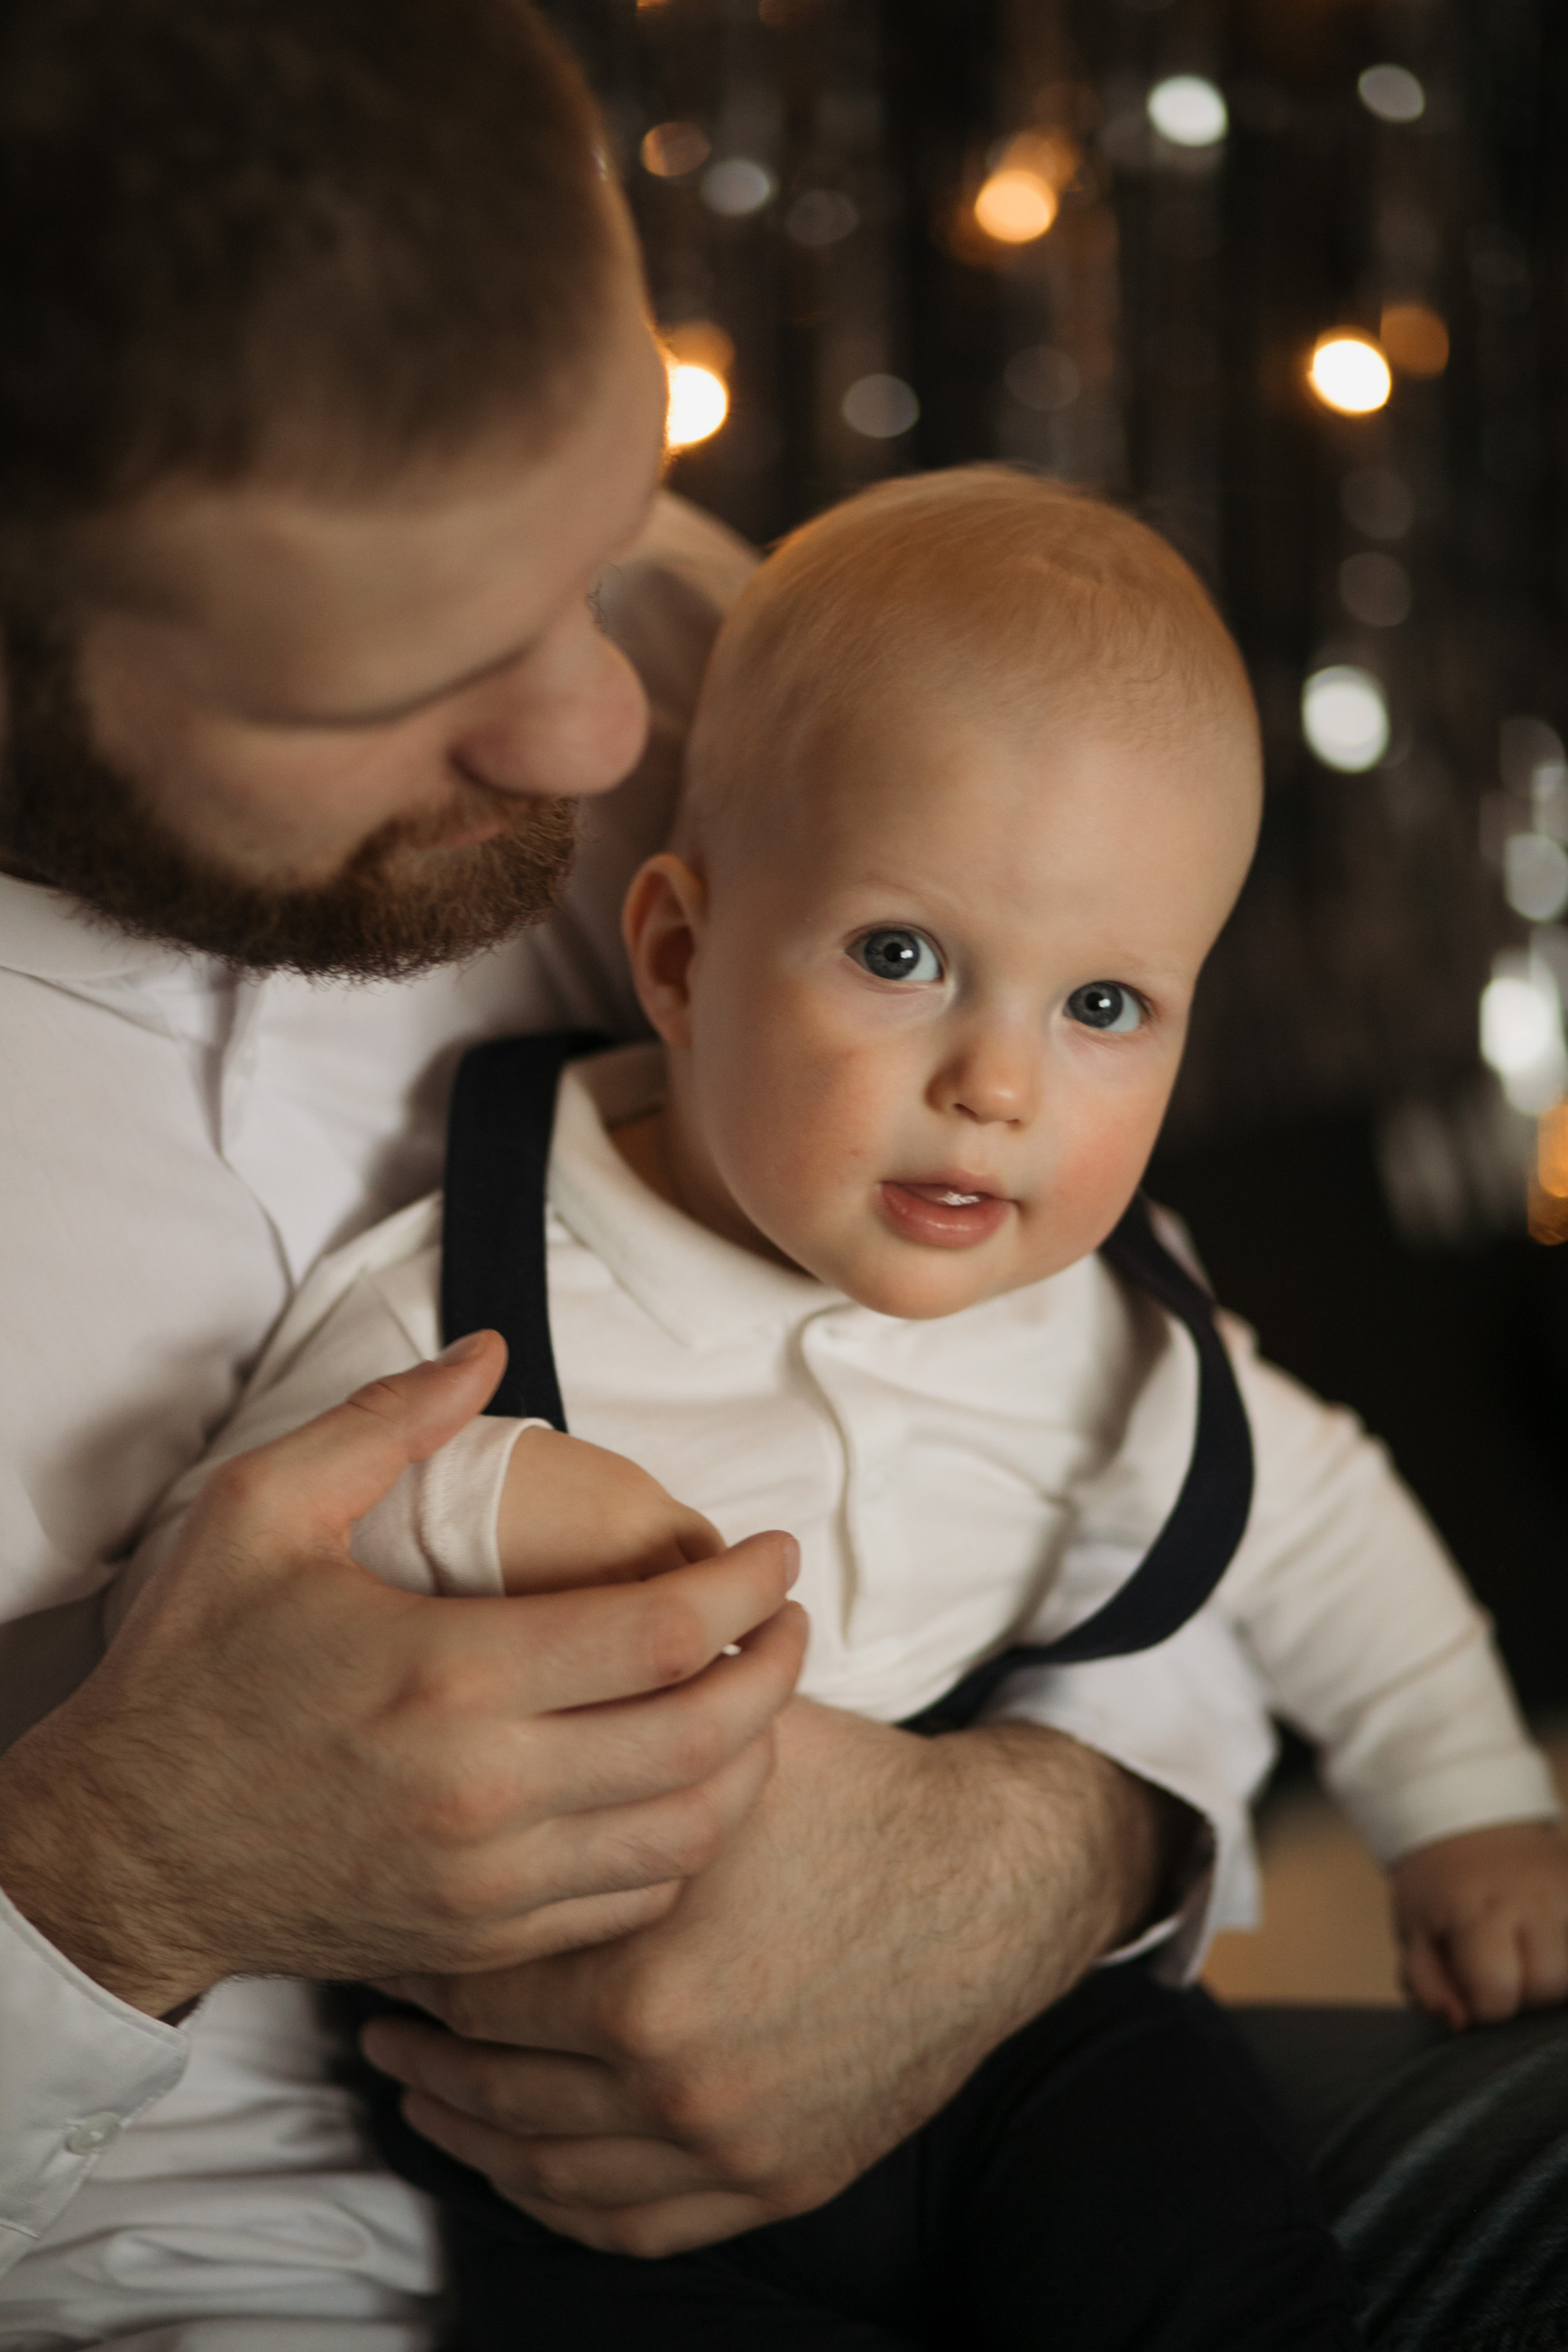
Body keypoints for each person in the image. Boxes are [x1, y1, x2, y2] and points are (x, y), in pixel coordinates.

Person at [0, 8, 1208, 2344]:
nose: (603, 727)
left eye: (608, 522)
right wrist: (107, 1883)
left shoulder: (679, 633)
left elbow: (1111, 1381)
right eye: (407, 678)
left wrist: (1039, 1851)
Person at [123, 470, 1568, 2348]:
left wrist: (1462, 1809)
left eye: (1108, 1004)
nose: (996, 1085)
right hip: (581, 2138)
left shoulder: (1101, 1324)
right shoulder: (479, 1284)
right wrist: (480, 1505)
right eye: (903, 958)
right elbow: (245, 1591)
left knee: (1204, 2249)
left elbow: (1312, 1513)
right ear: (680, 954)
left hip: (1033, 2039)